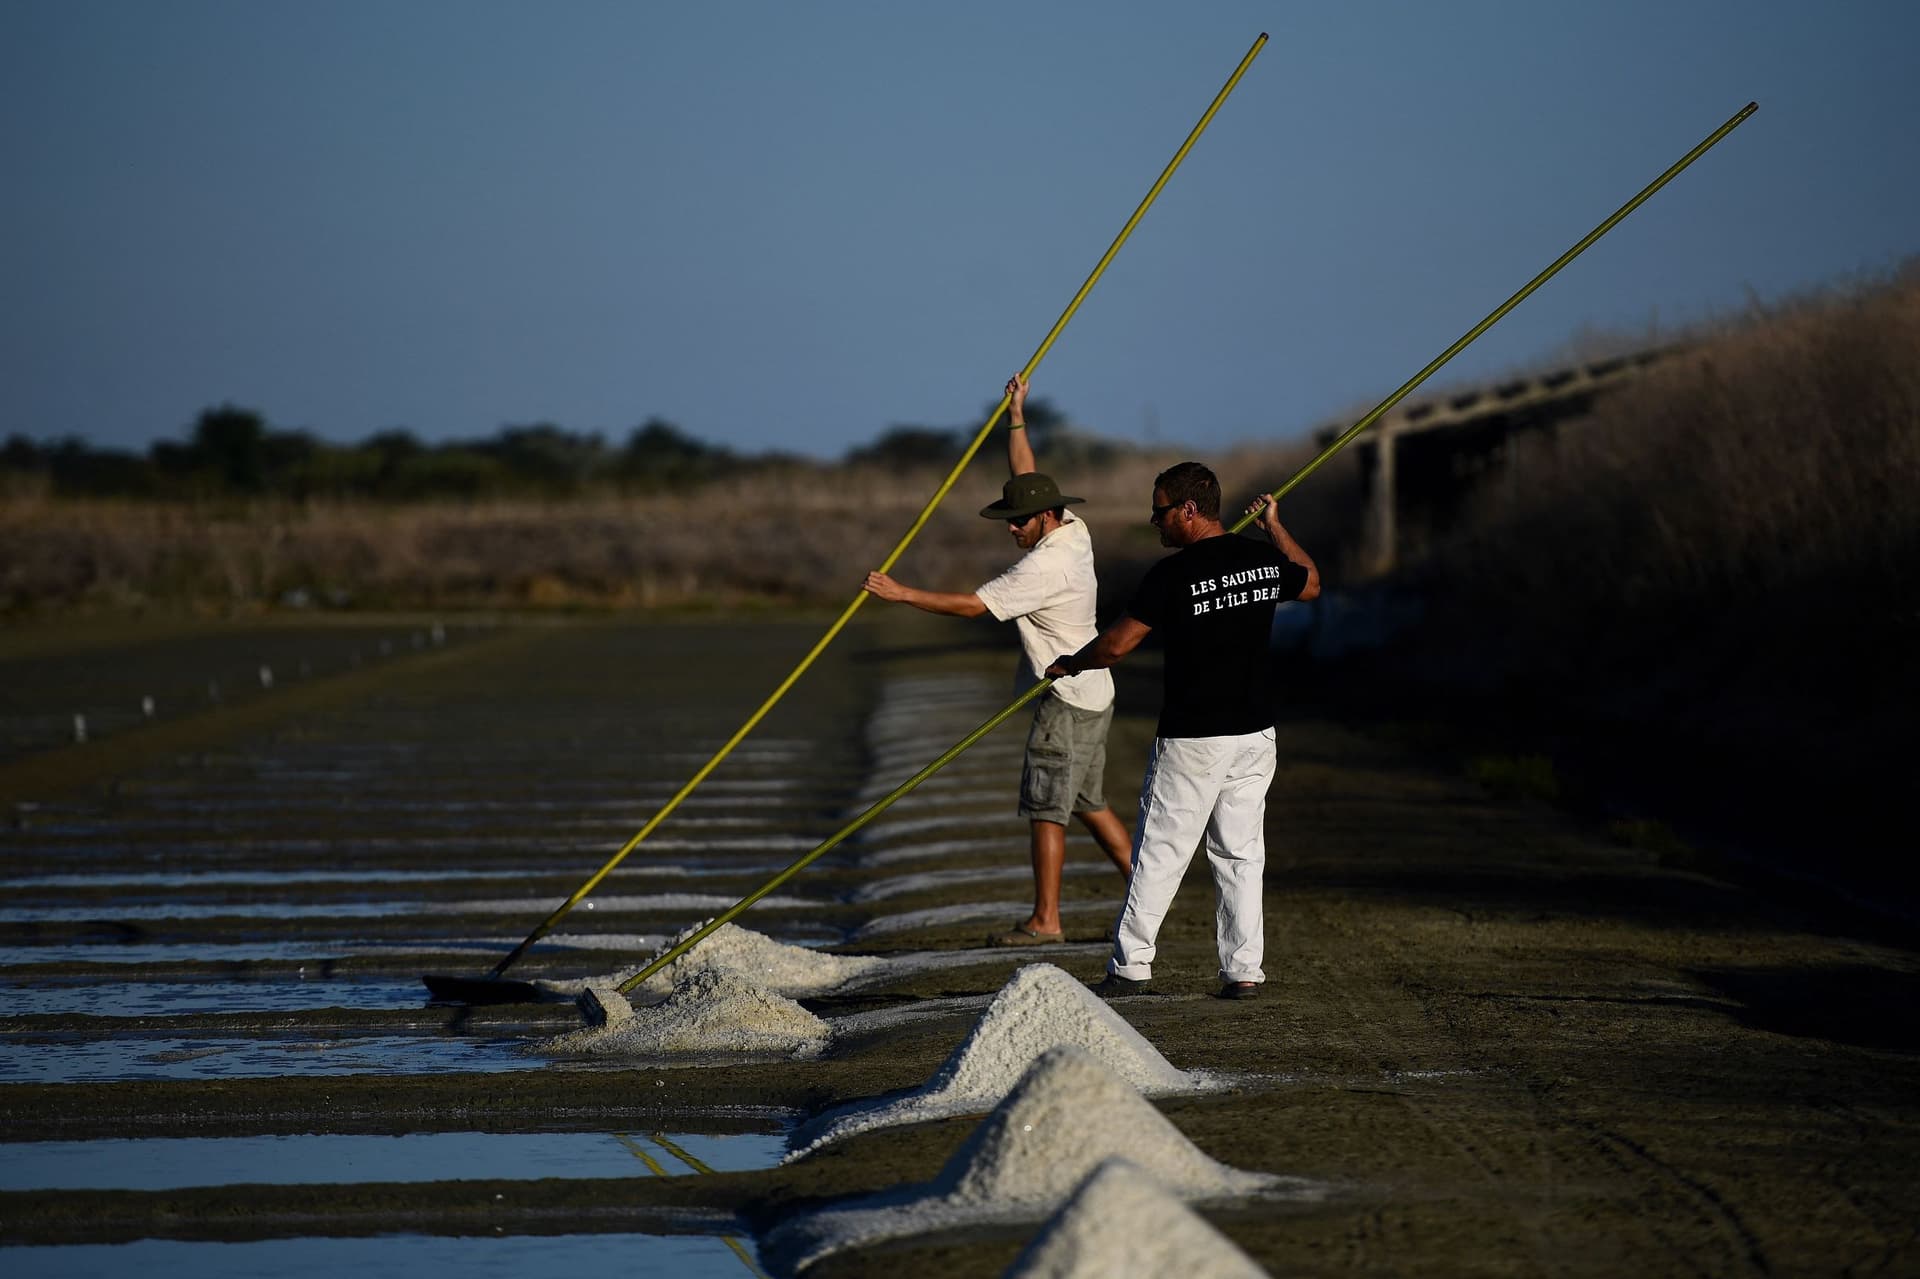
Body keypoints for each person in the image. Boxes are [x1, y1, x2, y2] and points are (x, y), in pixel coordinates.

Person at [863, 374, 1133, 946]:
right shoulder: (1073, 530)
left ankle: (1046, 921)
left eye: (1018, 521)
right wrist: (1016, 415)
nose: (1011, 528)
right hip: (1096, 694)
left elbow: (972, 607)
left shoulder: (1042, 567)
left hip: (1065, 700)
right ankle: (1146, 890)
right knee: (1088, 802)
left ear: (1045, 518)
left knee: (1046, 807)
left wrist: (901, 593)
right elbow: (1025, 476)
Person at [1045, 461, 1320, 1000]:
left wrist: (1072, 663)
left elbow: (1117, 645)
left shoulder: (1171, 575)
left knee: (1160, 852)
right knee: (1241, 855)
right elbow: (1310, 582)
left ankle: (1131, 967)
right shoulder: (1262, 560)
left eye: (1161, 510)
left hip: (1194, 736)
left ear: (1189, 510)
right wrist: (1275, 528)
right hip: (1254, 736)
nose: (1155, 521)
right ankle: (1243, 971)